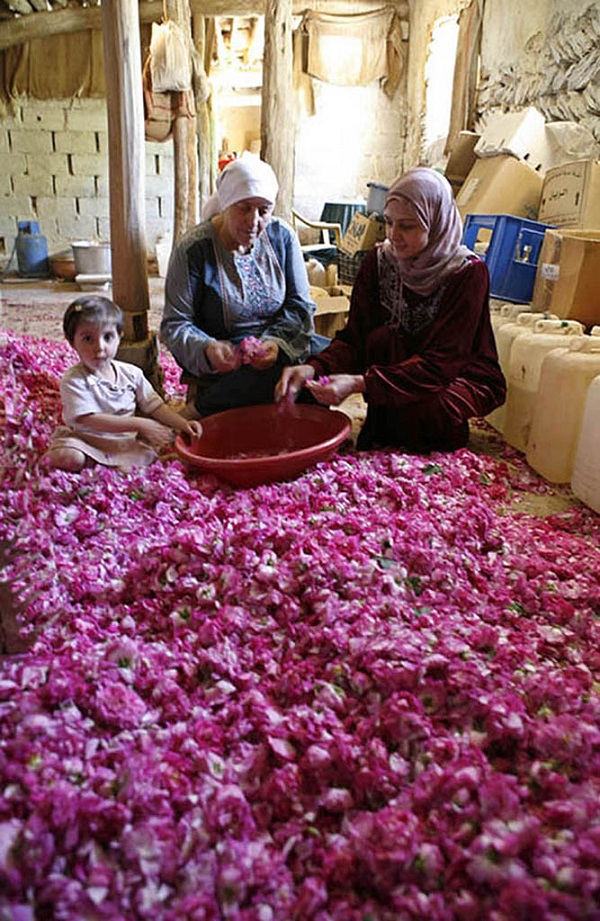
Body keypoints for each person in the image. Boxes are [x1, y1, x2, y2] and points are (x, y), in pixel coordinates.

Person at [275, 167, 506, 452]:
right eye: (389, 222)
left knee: (429, 411)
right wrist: (315, 368)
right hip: (397, 367)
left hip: (452, 374)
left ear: (435, 223)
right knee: (306, 384)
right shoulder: (379, 261)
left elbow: (443, 363)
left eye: (407, 226)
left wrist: (361, 383)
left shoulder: (466, 273)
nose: (394, 235)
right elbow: (355, 338)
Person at [160, 154, 325, 418]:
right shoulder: (194, 249)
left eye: (264, 210)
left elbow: (300, 305)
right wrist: (207, 348)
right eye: (244, 208)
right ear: (226, 205)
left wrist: (276, 344)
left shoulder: (282, 237)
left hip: (277, 345)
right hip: (228, 353)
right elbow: (175, 324)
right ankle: (202, 409)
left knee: (329, 357)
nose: (254, 221)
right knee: (267, 375)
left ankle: (221, 404)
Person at [45, 296, 203, 471]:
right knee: (69, 457)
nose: (100, 347)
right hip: (84, 440)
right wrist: (138, 424)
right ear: (71, 342)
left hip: (123, 442)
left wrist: (183, 424)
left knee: (138, 464)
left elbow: (155, 406)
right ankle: (88, 462)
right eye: (88, 339)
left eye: (108, 337)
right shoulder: (74, 379)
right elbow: (89, 420)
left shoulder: (131, 373)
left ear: (119, 337)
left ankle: (104, 467)